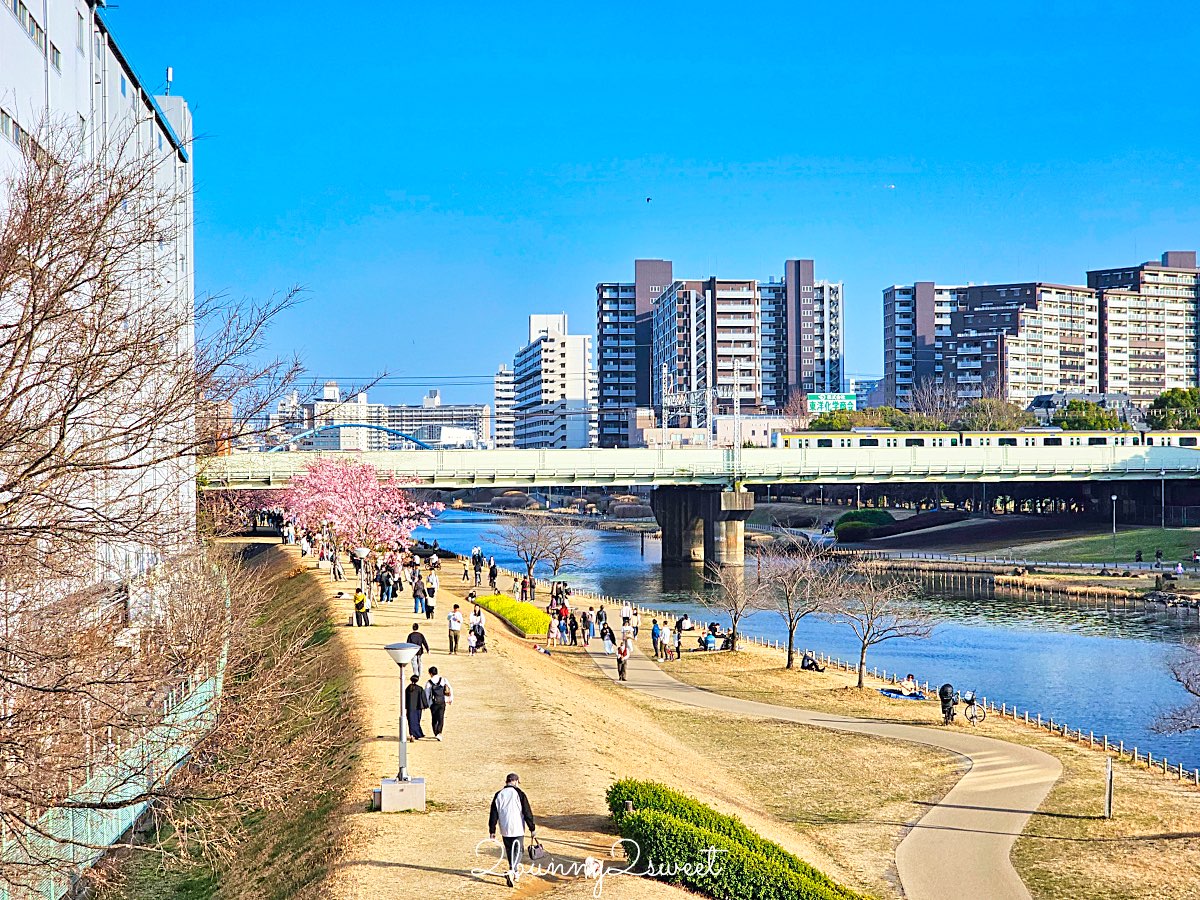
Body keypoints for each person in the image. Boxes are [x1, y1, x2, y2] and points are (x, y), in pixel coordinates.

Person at [489, 773, 537, 887]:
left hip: (504, 828)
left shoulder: (498, 794)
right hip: (517, 827)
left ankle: (513, 871)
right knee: (519, 850)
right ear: (515, 781)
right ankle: (512, 870)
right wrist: (532, 828)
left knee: (510, 850)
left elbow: (493, 814)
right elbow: (527, 812)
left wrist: (492, 830)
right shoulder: (519, 794)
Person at [425, 667, 453, 741]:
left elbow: (427, 694)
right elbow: (450, 689)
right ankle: (439, 733)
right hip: (442, 702)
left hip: (433, 703)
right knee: (441, 718)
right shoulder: (443, 680)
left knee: (434, 718)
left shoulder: (429, 682)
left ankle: (436, 732)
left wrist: (428, 704)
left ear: (430, 673)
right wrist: (450, 699)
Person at [405, 674, 428, 741]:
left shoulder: (408, 688)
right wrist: (426, 705)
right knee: (417, 721)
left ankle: (412, 735)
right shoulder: (419, 688)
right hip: (418, 708)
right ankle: (417, 734)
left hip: (410, 708)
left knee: (411, 721)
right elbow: (423, 698)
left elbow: (405, 698)